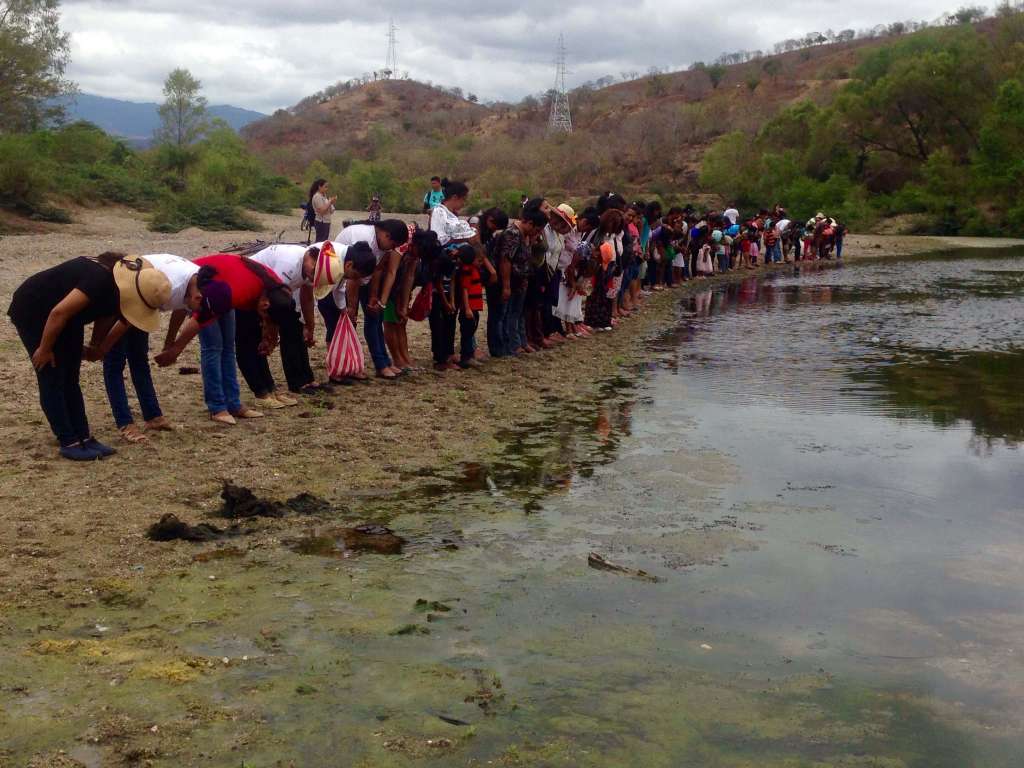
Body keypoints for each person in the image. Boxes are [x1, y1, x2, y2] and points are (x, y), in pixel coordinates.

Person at [8, 252, 170, 460]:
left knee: (71, 376)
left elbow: (106, 315)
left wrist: (96, 345)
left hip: (70, 317)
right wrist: (45, 349)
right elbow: (58, 313)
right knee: (52, 374)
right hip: (35, 310)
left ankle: (84, 436)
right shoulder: (99, 279)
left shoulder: (120, 291)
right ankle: (68, 440)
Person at [155, 254, 287, 425]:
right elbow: (195, 317)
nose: (262, 321)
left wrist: (269, 337)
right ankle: (217, 407)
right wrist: (173, 348)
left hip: (224, 287)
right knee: (213, 347)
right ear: (265, 304)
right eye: (263, 317)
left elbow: (274, 320)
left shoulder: (278, 290)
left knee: (228, 348)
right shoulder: (239, 292)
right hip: (205, 287)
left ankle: (233, 404)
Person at [102, 253, 200, 443]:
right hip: (124, 294)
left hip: (144, 295)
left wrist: (169, 344)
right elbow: (126, 321)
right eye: (197, 309)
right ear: (197, 295)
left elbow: (181, 307)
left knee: (139, 359)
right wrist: (103, 347)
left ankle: (153, 415)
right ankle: (125, 422)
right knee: (115, 361)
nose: (194, 313)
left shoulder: (196, 284)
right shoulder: (174, 286)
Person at [250, 241, 343, 400]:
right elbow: (272, 300)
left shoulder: (309, 269)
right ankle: (296, 382)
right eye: (314, 272)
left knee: (296, 329)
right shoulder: (290, 264)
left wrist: (309, 327)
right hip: (257, 290)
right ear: (311, 258)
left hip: (276, 294)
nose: (313, 277)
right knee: (289, 330)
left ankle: (306, 378)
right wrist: (270, 333)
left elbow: (307, 298)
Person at [332, 219, 410, 379]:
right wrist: (352, 307)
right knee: (349, 321)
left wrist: (374, 296)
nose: (392, 249)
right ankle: (350, 366)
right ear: (386, 235)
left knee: (375, 316)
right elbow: (353, 277)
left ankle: (383, 363)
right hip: (344, 279)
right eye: (393, 245)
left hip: (363, 278)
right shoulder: (363, 237)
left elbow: (377, 269)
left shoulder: (382, 245)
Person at [493, 206, 548, 355]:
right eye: (537, 230)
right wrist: (506, 285)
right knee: (506, 314)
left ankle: (519, 342)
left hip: (521, 281)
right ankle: (508, 346)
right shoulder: (513, 234)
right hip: (511, 281)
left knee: (518, 313)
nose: (537, 233)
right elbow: (505, 260)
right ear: (530, 223)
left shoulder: (526, 235)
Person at [428, 250, 458, 371]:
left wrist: (452, 301)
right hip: (436, 297)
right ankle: (439, 359)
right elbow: (439, 285)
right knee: (438, 328)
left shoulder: (452, 265)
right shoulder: (439, 265)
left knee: (450, 325)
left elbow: (452, 282)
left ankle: (448, 355)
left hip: (447, 296)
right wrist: (446, 303)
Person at [455, 244, 484, 368]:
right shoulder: (467, 271)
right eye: (479, 261)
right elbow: (465, 289)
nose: (481, 263)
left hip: (474, 307)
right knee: (467, 332)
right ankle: (466, 357)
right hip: (469, 307)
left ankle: (469, 355)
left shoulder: (474, 270)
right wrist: (467, 308)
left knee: (471, 330)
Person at [429, 179, 477, 247]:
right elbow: (441, 238)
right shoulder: (439, 211)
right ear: (454, 197)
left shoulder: (450, 213)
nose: (464, 203)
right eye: (463, 199)